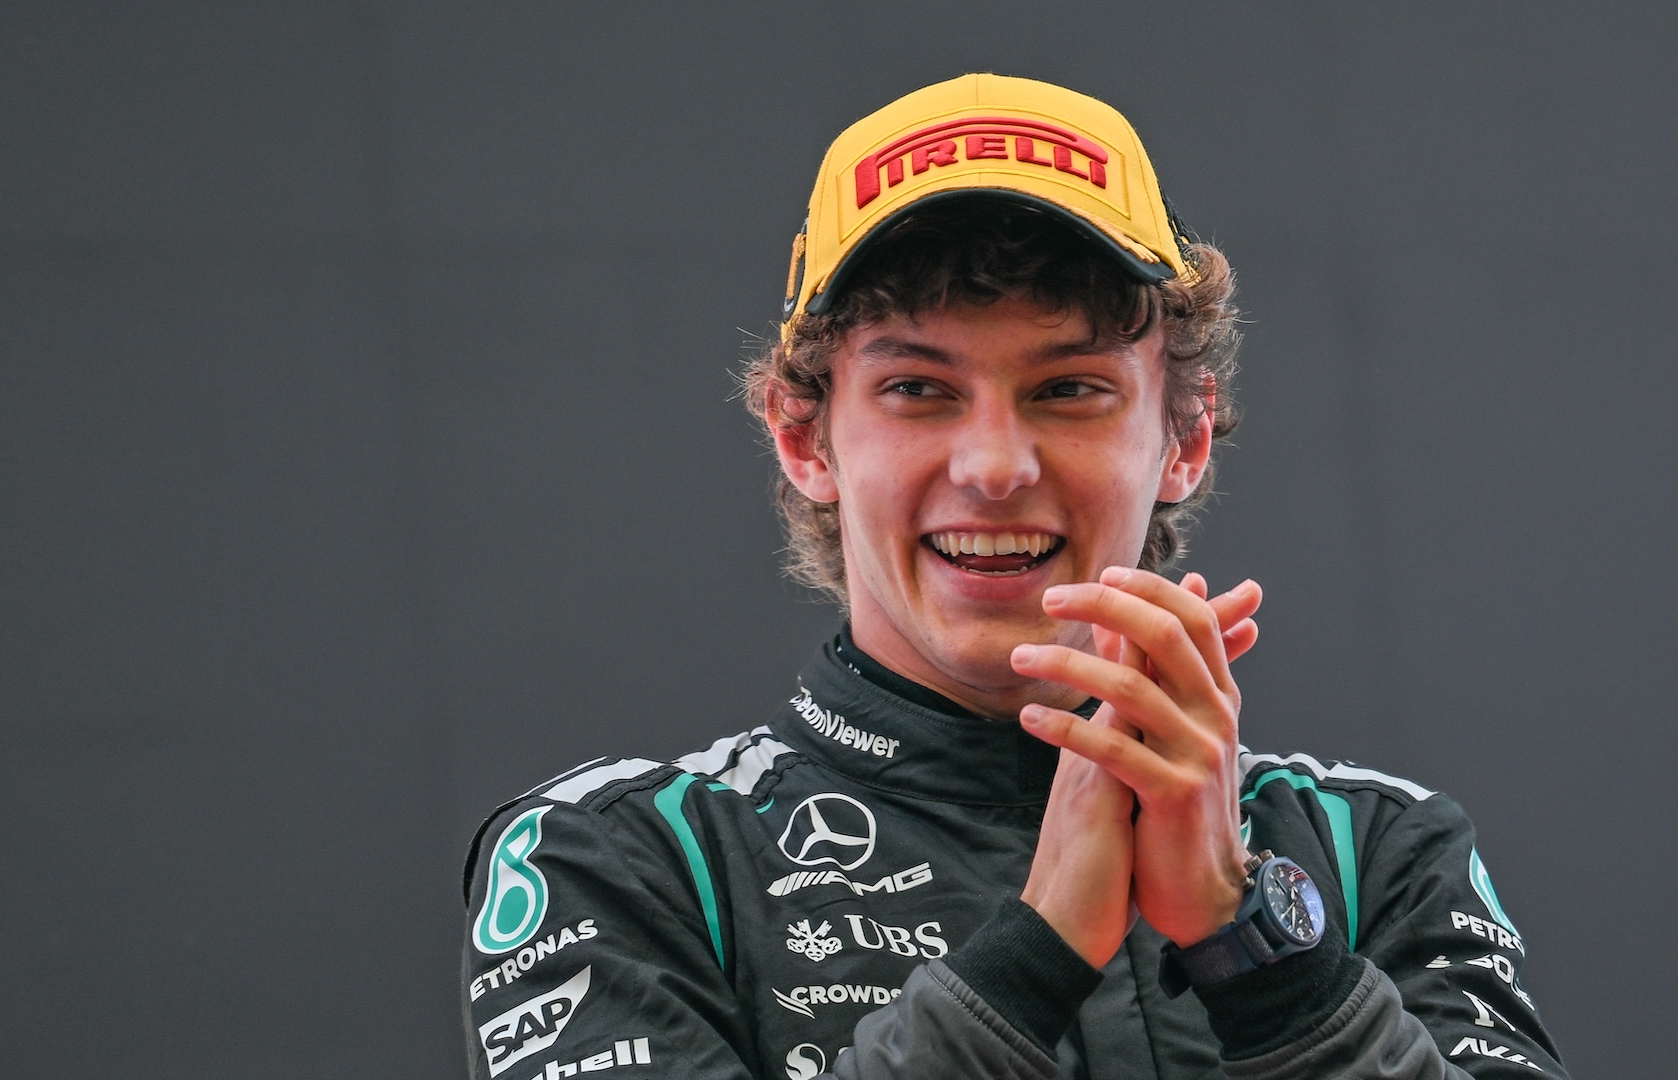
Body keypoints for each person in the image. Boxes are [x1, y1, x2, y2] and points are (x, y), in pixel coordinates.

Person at [460, 74, 1566, 1080]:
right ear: (806, 439)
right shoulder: (618, 860)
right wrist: (1035, 954)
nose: (994, 467)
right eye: (918, 391)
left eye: (1071, 388)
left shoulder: (1376, 852)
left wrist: (1258, 947)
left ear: (1185, 438)